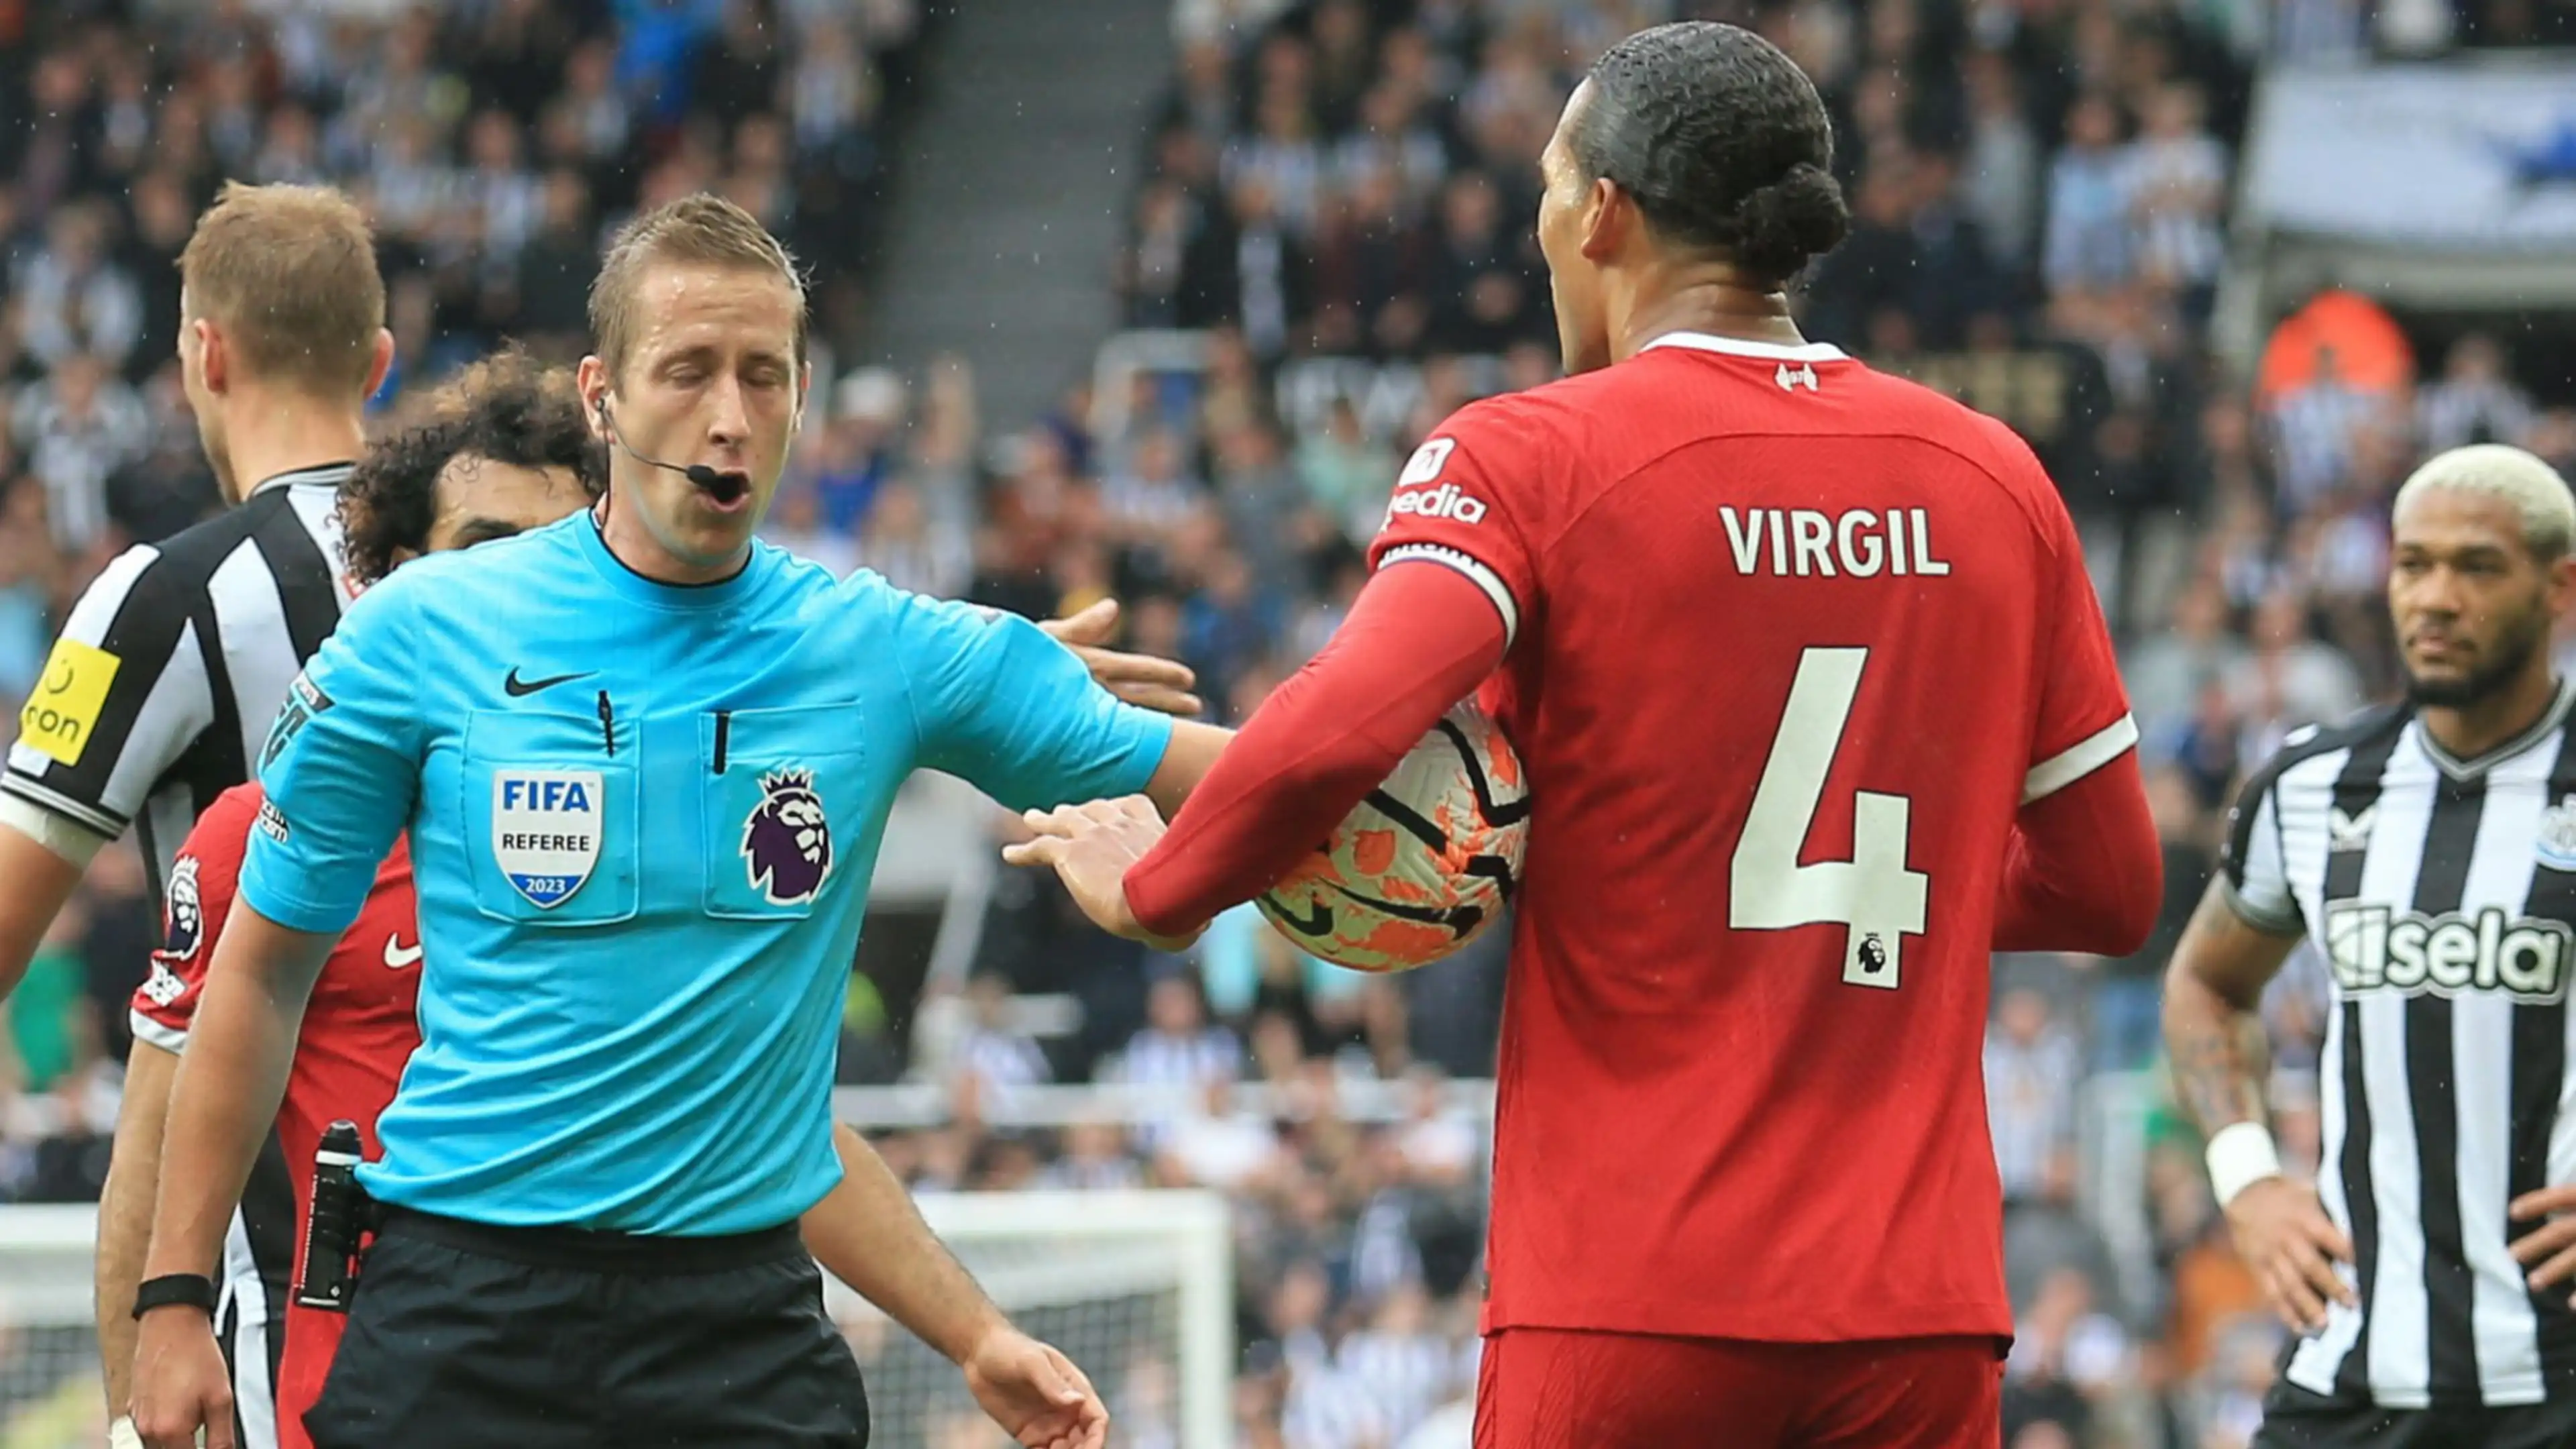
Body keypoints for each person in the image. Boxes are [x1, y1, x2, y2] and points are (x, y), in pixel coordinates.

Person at [1004, 22, 2161, 1447]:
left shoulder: (1535, 453)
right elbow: (2113, 891)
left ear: (1600, 210)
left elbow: (1337, 736)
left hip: (1635, 1288)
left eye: (1552, 187)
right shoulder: (1995, 479)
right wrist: (1837, 893)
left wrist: (1158, 892)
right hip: (1915, 1311)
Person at [131, 194, 1226, 1449]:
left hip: (737, 1336)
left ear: (804, 398)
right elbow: (260, 979)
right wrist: (171, 1299)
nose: (729, 416)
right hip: (462, 1321)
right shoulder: (421, 634)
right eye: (689, 371)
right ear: (602, 395)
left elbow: (1245, 769)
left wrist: (1406, 785)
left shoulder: (883, 652)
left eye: (765, 377)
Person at [0, 182, 396, 1449]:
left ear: (202, 353)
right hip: (520, 1234)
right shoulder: (500, 572)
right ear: (379, 364)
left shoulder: (161, 596)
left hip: (277, 1271)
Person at [2165, 444, 2576, 1447]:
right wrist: (2248, 1178)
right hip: (2354, 1371)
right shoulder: (2313, 786)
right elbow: (2206, 986)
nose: (2435, 598)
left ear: (2561, 585)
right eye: (2412, 564)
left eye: (2476, 567)